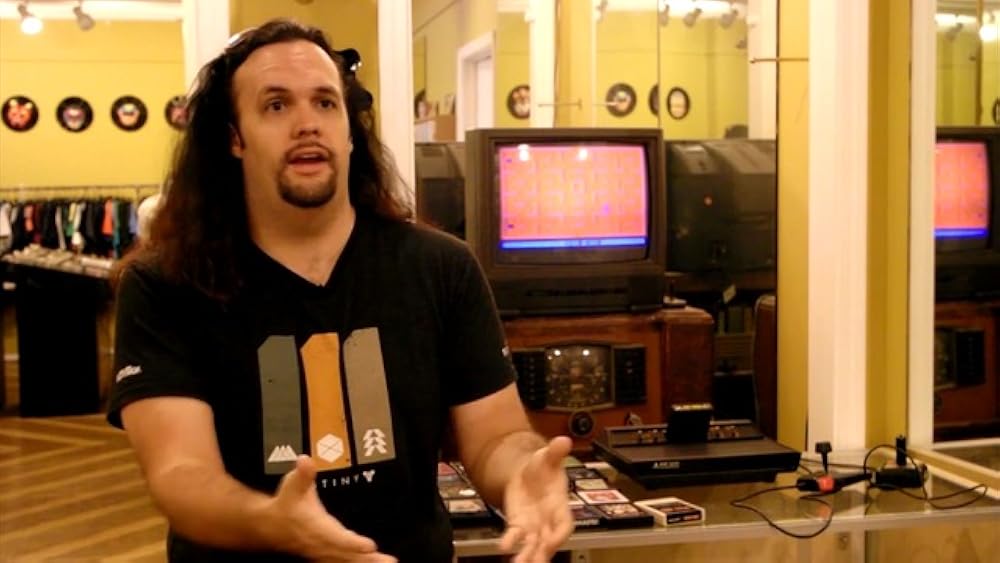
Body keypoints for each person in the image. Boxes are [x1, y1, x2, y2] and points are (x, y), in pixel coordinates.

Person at [107, 18, 573, 563]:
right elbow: (180, 473)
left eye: (325, 103)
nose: (308, 124)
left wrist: (521, 472)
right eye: (276, 105)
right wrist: (272, 523)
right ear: (234, 139)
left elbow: (495, 437)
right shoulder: (163, 285)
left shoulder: (442, 267)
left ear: (350, 131)